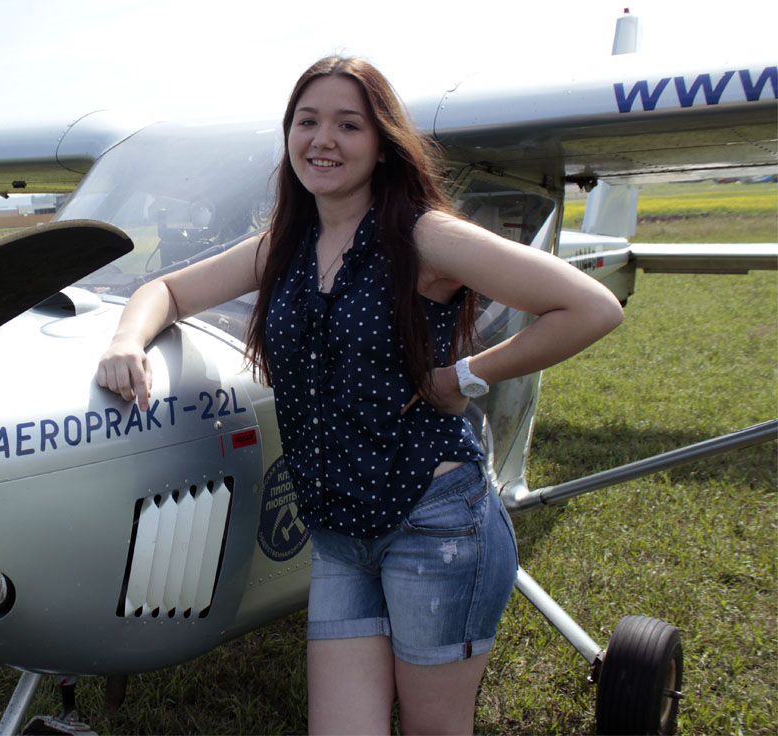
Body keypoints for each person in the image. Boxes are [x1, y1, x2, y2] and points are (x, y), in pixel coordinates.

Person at [96, 56, 624, 735]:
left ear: (382, 145)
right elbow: (165, 290)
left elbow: (590, 307)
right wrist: (127, 341)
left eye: (349, 125)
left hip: (434, 522)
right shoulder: (284, 247)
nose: (323, 140)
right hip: (338, 535)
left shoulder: (424, 236)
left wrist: (464, 376)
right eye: (307, 122)